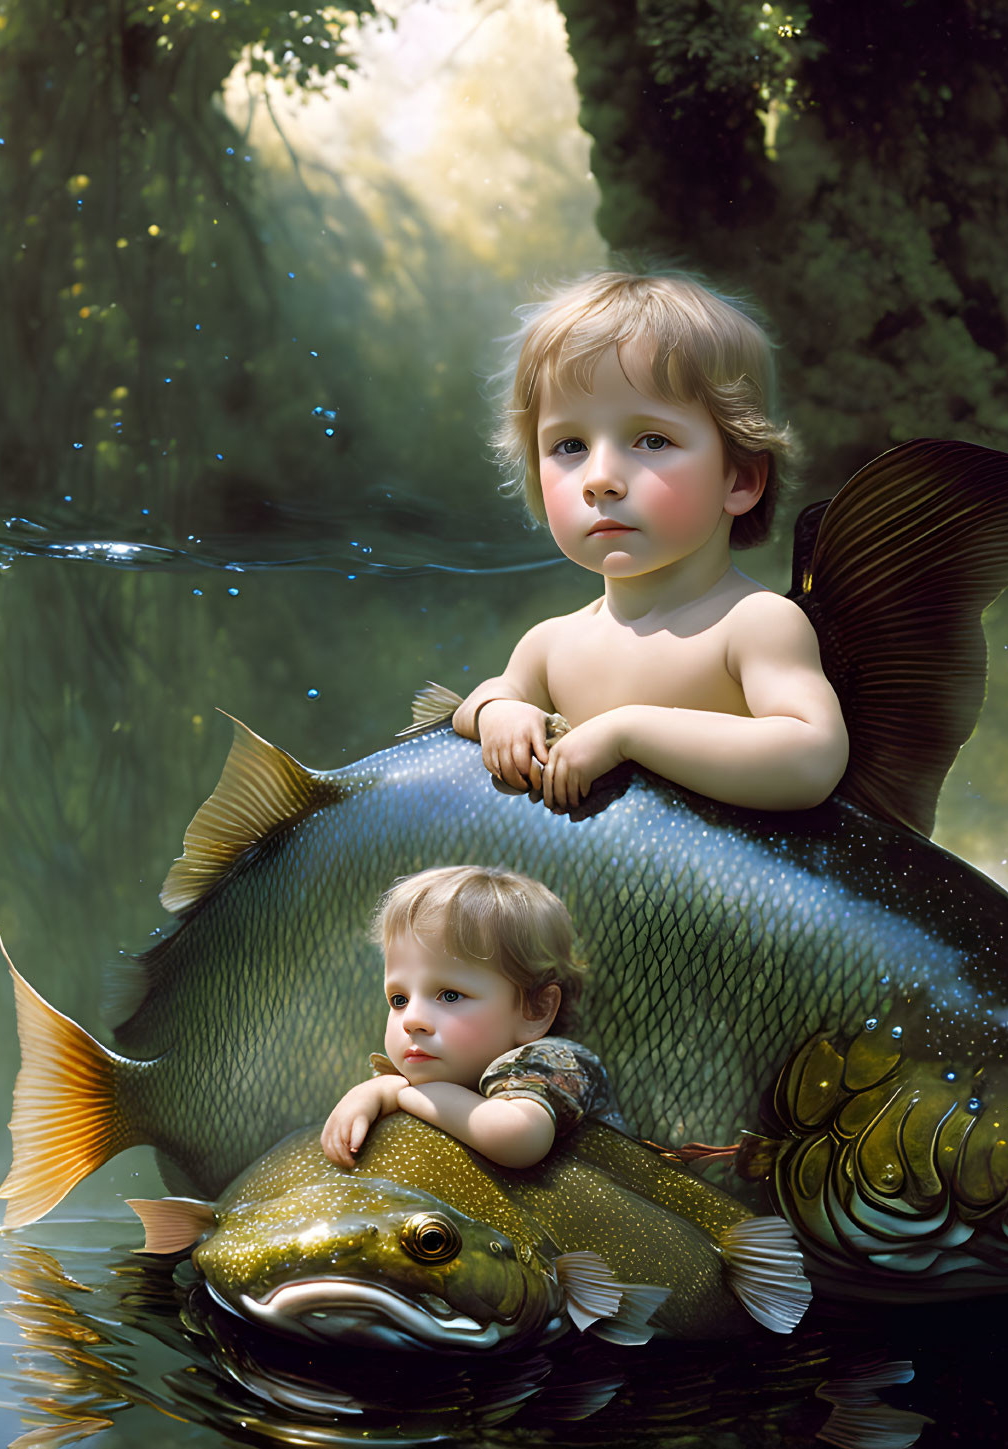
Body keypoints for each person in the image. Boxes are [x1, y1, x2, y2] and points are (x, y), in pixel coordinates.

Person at [452, 268, 849, 813]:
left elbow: (812, 757)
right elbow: (478, 702)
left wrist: (628, 731)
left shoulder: (753, 624)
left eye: (652, 439)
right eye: (569, 445)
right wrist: (499, 713)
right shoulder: (551, 644)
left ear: (740, 479)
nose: (600, 478)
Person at [321, 864, 619, 1171]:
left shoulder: (555, 1061)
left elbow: (518, 1137)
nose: (411, 1019)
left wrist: (406, 1096)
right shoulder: (430, 1070)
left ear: (535, 1010)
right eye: (399, 1000)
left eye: (450, 995)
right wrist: (375, 1092)